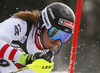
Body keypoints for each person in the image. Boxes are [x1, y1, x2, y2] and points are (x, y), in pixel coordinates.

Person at [0, 2, 75, 73]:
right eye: (55, 33)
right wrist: (25, 58)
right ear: (43, 25)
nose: (58, 41)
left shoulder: (46, 58)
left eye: (65, 37)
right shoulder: (20, 26)